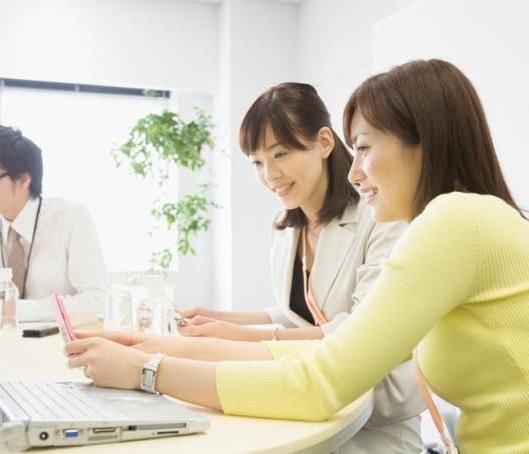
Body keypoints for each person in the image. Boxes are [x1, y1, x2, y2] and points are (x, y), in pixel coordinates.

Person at [64, 60, 529, 452]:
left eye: (364, 147)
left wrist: (147, 372)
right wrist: (164, 348)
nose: (355, 171)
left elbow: (320, 381)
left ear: (424, 141)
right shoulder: (470, 217)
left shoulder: (453, 221)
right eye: (257, 161)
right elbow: (316, 347)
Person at [180, 82, 424, 451]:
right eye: (257, 162)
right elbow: (297, 312)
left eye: (280, 154)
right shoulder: (284, 226)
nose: (270, 175)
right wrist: (218, 319)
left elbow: (357, 328)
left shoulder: (380, 217)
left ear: (324, 143)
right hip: (311, 405)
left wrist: (242, 336)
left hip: (376, 420)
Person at [0, 125, 108, 324]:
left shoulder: (70, 217)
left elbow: (97, 301)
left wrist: (9, 311)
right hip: (5, 339)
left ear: (23, 180)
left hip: (61, 340)